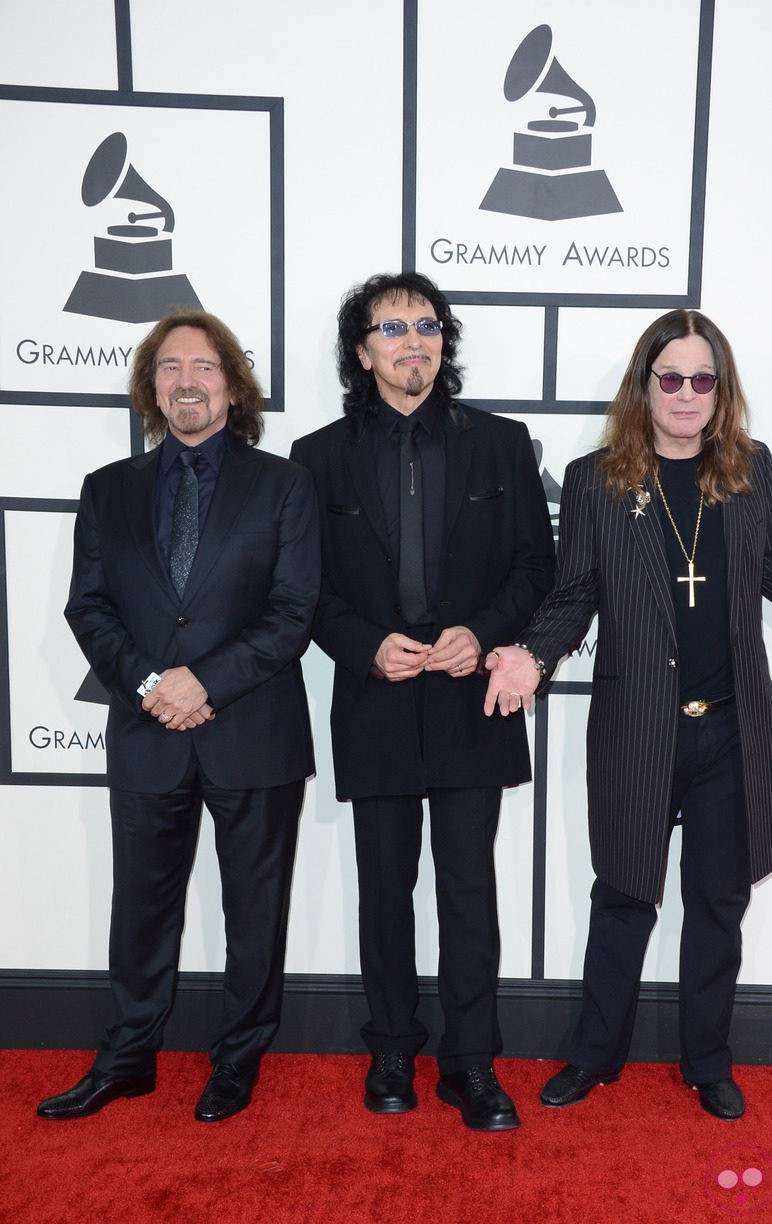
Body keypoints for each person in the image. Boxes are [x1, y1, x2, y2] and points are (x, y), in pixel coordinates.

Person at [483, 309, 772, 1121]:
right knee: (625, 895)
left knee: (717, 905)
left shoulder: (746, 469)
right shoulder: (596, 480)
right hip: (638, 728)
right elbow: (574, 597)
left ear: (720, 390)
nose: (688, 394)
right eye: (672, 378)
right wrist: (532, 653)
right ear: (646, 385)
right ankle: (595, 1057)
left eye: (705, 379)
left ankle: (708, 1062)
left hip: (730, 729)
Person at [38, 309, 320, 1123]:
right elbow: (88, 610)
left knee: (255, 913)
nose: (185, 382)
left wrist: (204, 683)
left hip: (254, 730)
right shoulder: (108, 489)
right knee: (140, 908)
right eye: (168, 368)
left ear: (232, 386)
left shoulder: (284, 484)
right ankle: (127, 1057)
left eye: (203, 367)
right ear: (150, 387)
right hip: (145, 729)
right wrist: (154, 684)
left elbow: (294, 611)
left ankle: (237, 1060)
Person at [290, 271, 554, 1131]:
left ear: (446, 341)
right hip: (374, 697)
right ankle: (394, 1052)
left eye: (428, 325)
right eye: (392, 328)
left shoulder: (505, 443)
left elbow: (534, 570)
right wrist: (361, 642)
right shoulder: (316, 457)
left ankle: (473, 1064)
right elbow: (302, 589)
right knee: (383, 890)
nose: (415, 341)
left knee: (470, 890)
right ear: (362, 351)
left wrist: (481, 633)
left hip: (470, 698)